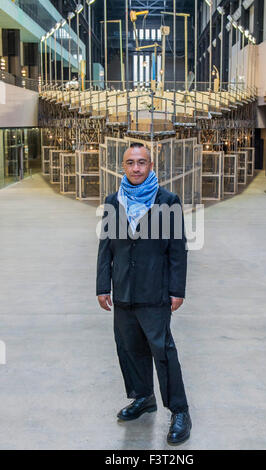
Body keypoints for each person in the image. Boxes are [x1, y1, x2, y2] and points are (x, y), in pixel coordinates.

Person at [96, 142, 191, 445]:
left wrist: (177, 289)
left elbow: (178, 250)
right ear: (122, 167)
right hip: (123, 291)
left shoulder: (168, 201)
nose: (136, 168)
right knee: (130, 349)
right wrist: (102, 285)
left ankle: (179, 411)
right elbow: (105, 248)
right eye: (130, 163)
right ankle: (144, 397)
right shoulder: (113, 202)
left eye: (142, 162)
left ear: (151, 166)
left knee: (163, 353)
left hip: (155, 292)